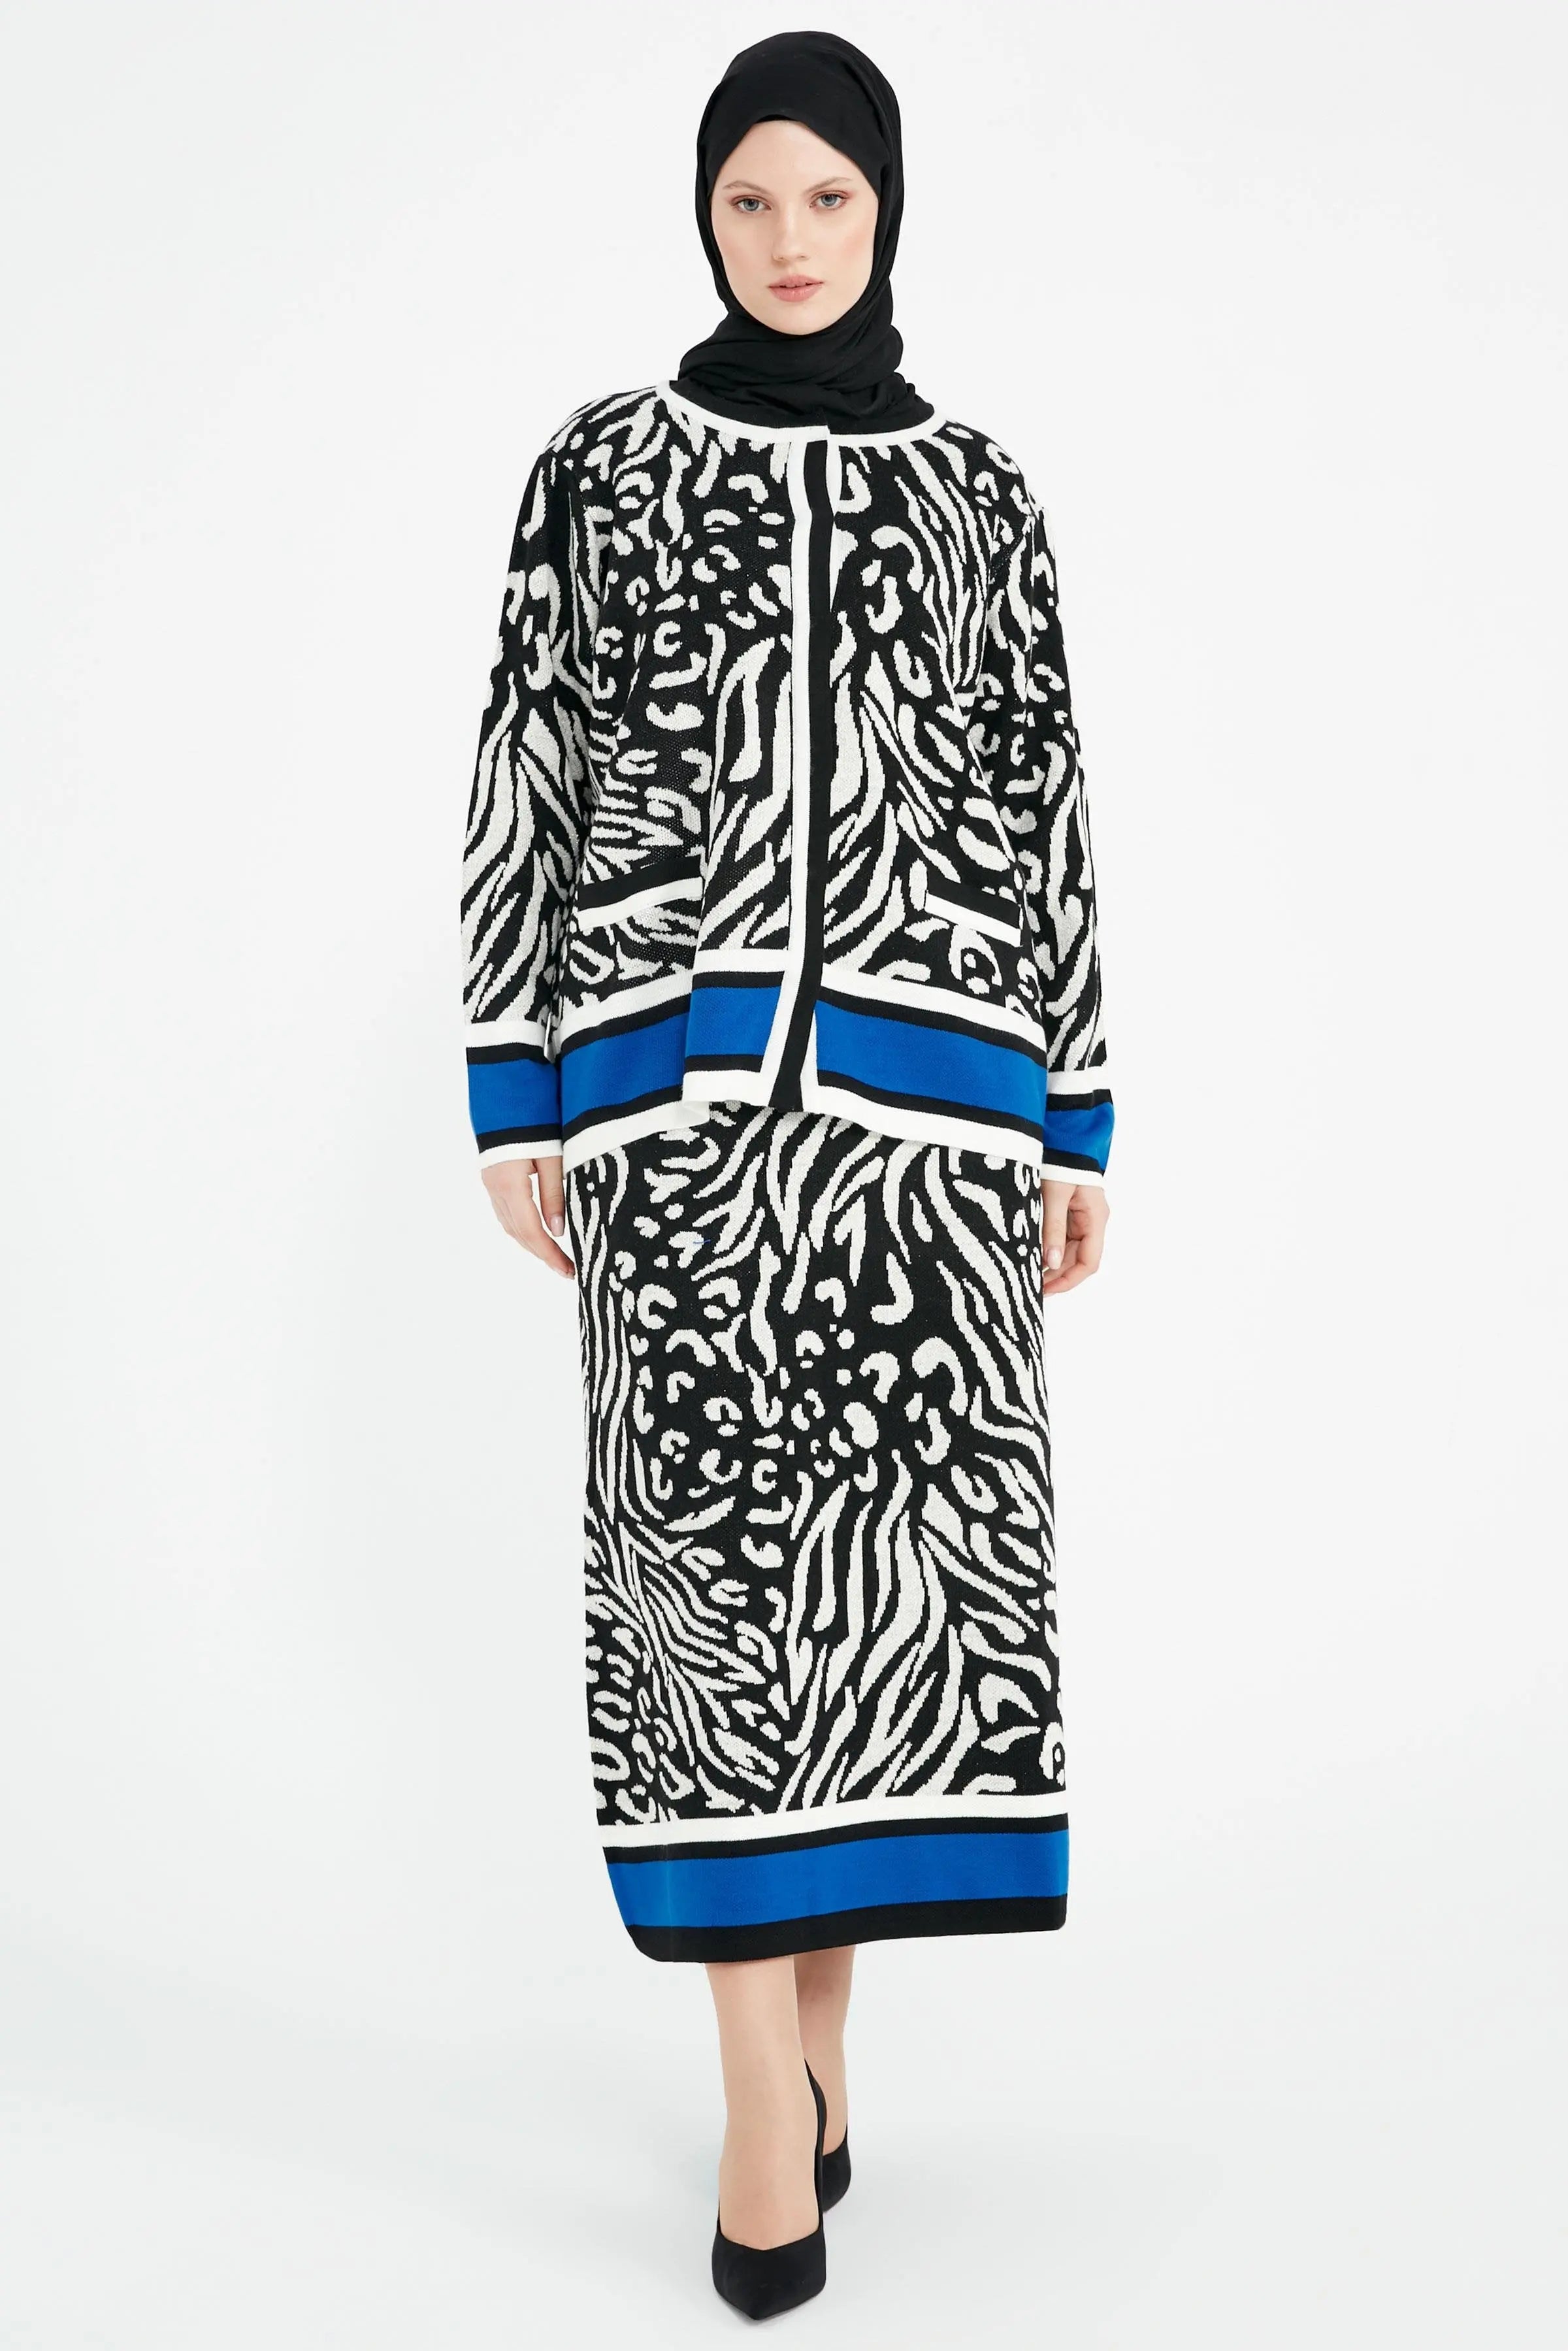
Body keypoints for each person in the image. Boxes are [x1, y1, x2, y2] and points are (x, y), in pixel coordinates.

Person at [459, 28, 1113, 2320]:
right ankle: (761, 2095)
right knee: (713, 1609)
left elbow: (1042, 806)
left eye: (831, 197)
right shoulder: (605, 471)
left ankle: (826, 2056)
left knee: (875, 1618)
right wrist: (518, 1088)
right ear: (702, 213)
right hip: (675, 1117)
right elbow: (526, 775)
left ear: (889, 208)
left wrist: (1077, 1114)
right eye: (752, 197)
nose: (792, 238)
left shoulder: (982, 494)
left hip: (938, 1135)